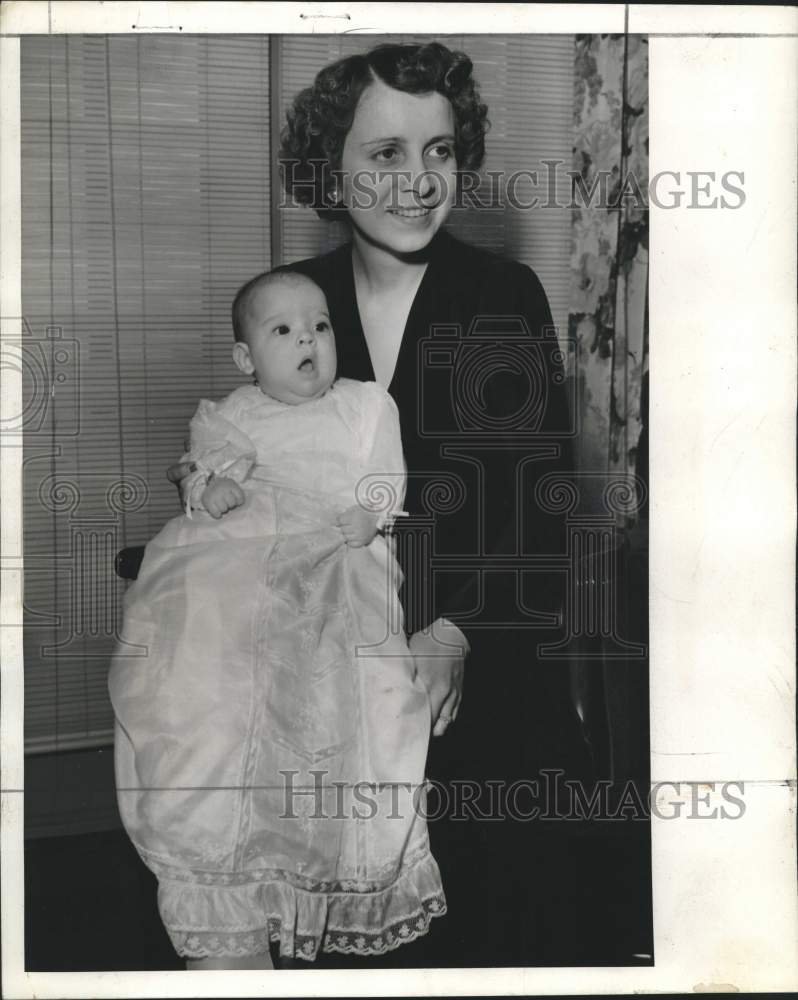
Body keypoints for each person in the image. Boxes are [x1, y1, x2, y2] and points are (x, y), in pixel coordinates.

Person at [170, 40, 588, 967]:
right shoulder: (296, 300)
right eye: (385, 154)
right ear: (332, 166)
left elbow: (543, 502)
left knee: (503, 940)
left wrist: (455, 633)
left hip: (480, 685)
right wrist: (211, 493)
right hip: (325, 695)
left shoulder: (503, 295)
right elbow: (249, 450)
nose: (417, 181)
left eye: (438, 151)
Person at [110, 269, 448, 970]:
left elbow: (387, 478)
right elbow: (201, 471)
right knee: (206, 662)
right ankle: (224, 874)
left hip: (334, 547)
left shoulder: (363, 406)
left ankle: (313, 858)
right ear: (246, 358)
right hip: (244, 558)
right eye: (284, 331)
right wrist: (215, 485)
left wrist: (374, 509)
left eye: (320, 327)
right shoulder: (231, 413)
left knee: (351, 682)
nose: (308, 342)